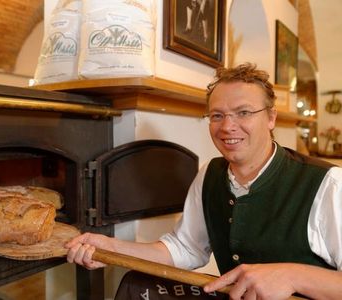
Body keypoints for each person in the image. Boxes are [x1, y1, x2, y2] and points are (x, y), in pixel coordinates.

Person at [66, 63, 342, 299]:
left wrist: (292, 276)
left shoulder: (327, 183)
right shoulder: (210, 174)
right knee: (136, 285)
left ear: (271, 118)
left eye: (243, 112)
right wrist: (110, 247)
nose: (227, 126)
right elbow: (185, 248)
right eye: (217, 115)